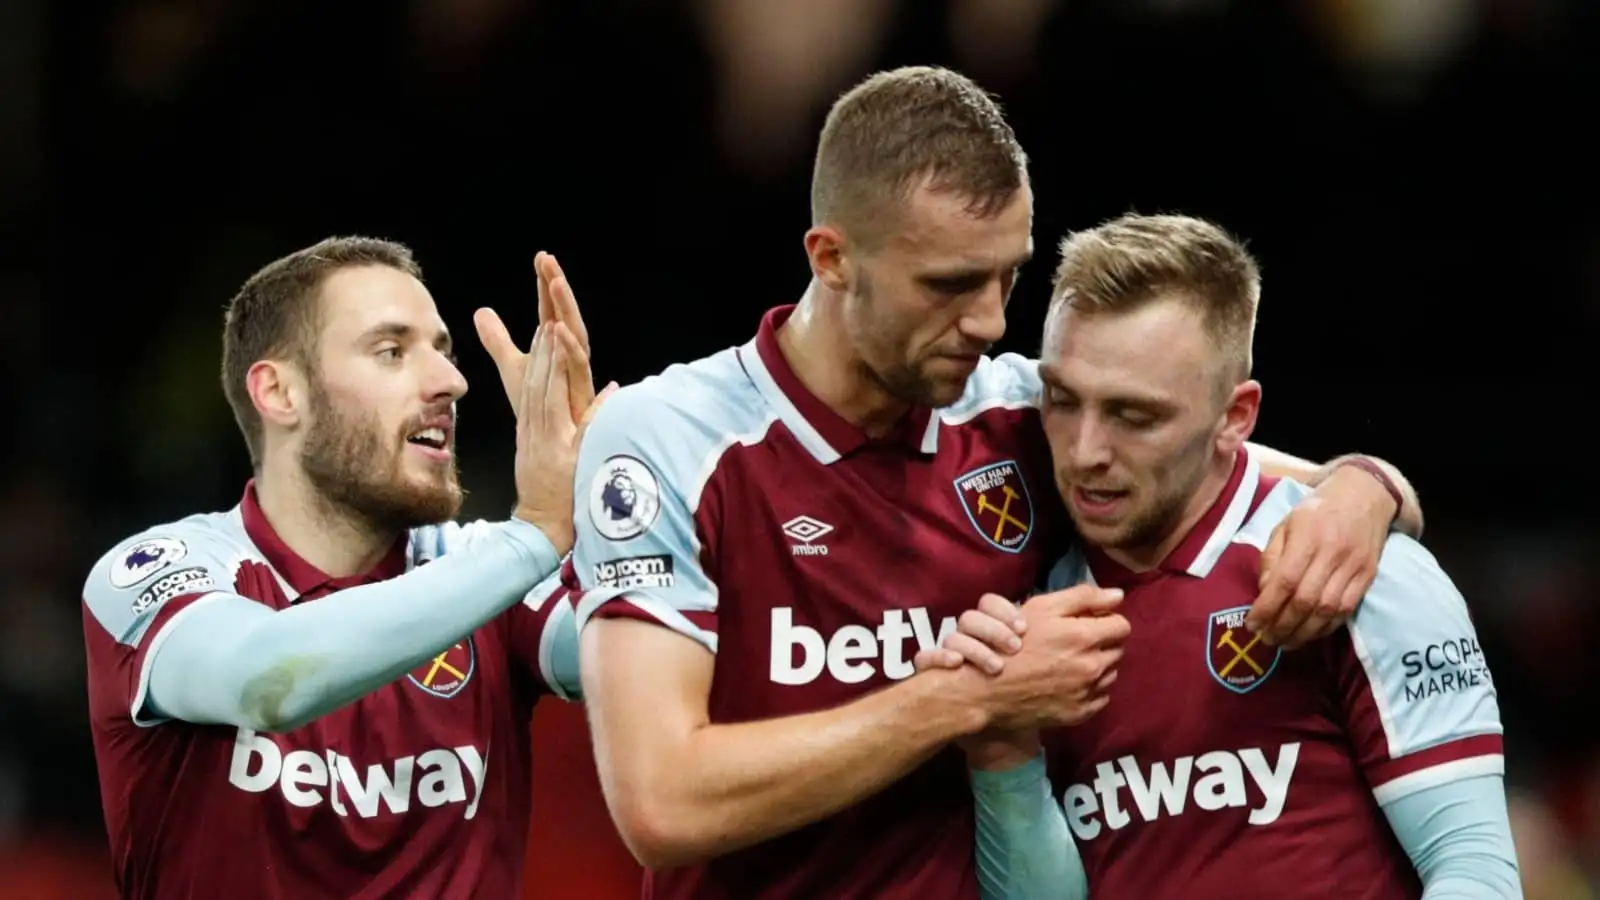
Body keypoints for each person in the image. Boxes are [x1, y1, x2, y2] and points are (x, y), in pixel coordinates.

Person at [568, 66, 1426, 899]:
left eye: (1007, 274)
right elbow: (661, 801)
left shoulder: (1024, 413)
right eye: (948, 283)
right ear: (831, 258)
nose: (989, 320)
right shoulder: (669, 440)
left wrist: (1367, 488)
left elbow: (1277, 482)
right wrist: (958, 700)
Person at [925, 214, 1519, 899]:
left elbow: (1475, 874)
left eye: (1134, 415)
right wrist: (1004, 759)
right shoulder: (1039, 619)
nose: (1086, 450)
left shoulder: (1356, 573)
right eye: (1062, 400)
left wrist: (1370, 484)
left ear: (1235, 418)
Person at [81, 237, 607, 899]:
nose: (451, 382)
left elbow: (668, 645)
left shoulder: (484, 573)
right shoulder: (156, 572)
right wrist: (534, 536)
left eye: (442, 351)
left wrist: (619, 508)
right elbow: (262, 682)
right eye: (391, 351)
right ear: (279, 393)